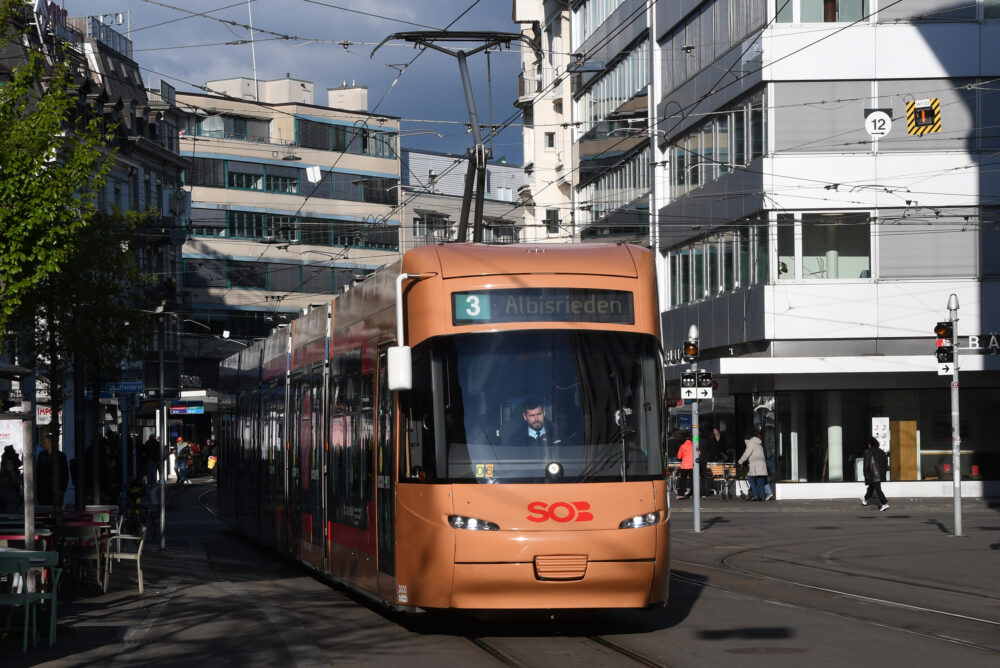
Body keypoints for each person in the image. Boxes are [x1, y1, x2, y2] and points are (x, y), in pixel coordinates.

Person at [37, 435, 69, 508]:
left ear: (50, 443)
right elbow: (39, 472)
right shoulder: (41, 455)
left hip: (56, 489)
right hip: (44, 490)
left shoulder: (61, 456)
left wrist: (62, 489)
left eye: (45, 443)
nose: (43, 444)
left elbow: (64, 474)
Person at [861, 436, 890, 511]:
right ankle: (865, 499)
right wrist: (883, 473)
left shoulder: (867, 452)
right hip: (880, 474)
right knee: (871, 487)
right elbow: (886, 464)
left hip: (872, 474)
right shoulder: (881, 452)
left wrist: (865, 474)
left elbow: (866, 465)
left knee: (878, 489)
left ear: (870, 444)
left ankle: (885, 503)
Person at [739, 429, 768, 501]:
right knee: (760, 481)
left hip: (755, 467)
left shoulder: (751, 443)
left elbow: (746, 454)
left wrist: (740, 462)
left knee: (751, 479)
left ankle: (755, 495)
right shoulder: (759, 443)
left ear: (746, 440)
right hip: (761, 466)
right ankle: (762, 496)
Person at [0, 445, 24, 512]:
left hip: (13, 502)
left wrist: (12, 473)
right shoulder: (2, 474)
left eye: (11, 464)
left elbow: (16, 483)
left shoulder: (15, 473)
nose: (9, 466)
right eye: (7, 464)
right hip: (4, 502)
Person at [676, 431, 694, 499]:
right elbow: (699, 453)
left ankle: (681, 494)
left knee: (683, 480)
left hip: (684, 465)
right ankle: (693, 493)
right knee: (693, 480)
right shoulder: (694, 445)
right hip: (692, 465)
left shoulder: (682, 446)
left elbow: (679, 456)